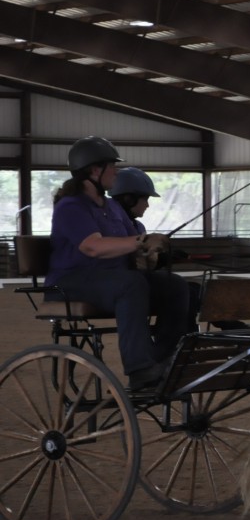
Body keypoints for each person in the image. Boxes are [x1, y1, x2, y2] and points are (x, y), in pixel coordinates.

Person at [46, 136, 189, 390]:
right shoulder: (71, 206)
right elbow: (93, 246)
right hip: (72, 281)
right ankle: (140, 369)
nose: (117, 171)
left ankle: (164, 358)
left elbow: (128, 245)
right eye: (112, 165)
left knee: (175, 286)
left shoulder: (112, 207)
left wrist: (152, 254)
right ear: (94, 170)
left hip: (111, 279)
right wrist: (142, 240)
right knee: (130, 284)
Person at [111, 166, 202, 333]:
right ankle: (178, 339)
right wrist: (161, 259)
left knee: (195, 290)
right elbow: (134, 261)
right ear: (129, 199)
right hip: (125, 284)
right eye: (145, 199)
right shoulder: (115, 224)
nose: (147, 205)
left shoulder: (137, 226)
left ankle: (224, 328)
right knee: (183, 290)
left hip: (135, 280)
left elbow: (144, 260)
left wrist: (162, 257)